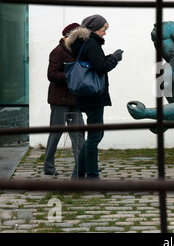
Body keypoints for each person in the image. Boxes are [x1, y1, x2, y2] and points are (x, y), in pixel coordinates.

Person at [65, 14, 123, 179]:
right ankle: (91, 175)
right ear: (96, 28)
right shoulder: (91, 43)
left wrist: (108, 58)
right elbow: (100, 67)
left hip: (85, 95)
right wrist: (114, 58)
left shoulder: (82, 43)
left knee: (95, 134)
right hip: (93, 95)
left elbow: (93, 63)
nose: (105, 33)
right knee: (95, 135)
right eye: (104, 29)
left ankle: (78, 175)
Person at [43, 23, 85, 176]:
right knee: (56, 133)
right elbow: (52, 75)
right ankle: (48, 166)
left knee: (79, 133)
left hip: (75, 99)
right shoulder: (57, 52)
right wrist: (71, 76)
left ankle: (82, 165)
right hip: (59, 100)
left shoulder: (78, 51)